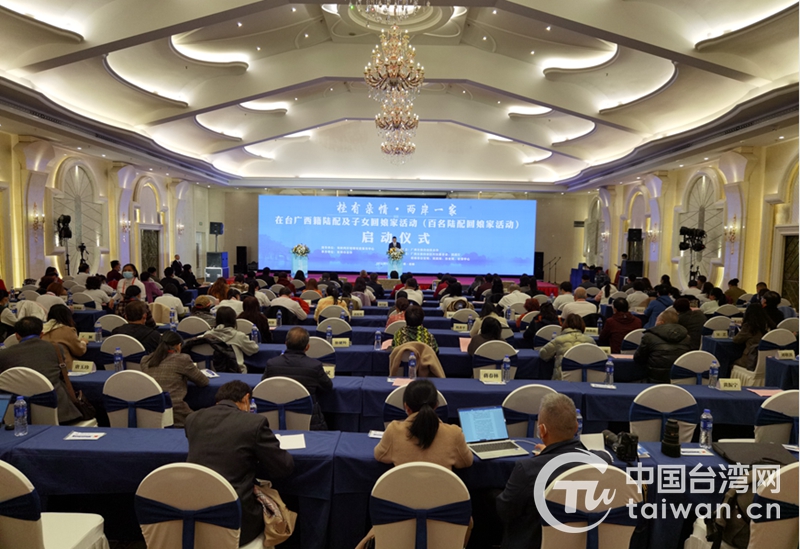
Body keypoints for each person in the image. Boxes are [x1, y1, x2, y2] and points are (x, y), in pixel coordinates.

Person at [184, 381, 294, 546]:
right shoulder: (254, 423)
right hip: (239, 516)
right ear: (246, 398)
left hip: (195, 511)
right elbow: (284, 467)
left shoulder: (192, 419)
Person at [497, 393, 610, 549]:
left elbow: (505, 511)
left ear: (542, 431)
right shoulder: (602, 462)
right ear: (576, 428)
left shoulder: (527, 470)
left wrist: (549, 453)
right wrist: (552, 451)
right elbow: (602, 455)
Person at [0, 316, 83, 424]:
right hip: (61, 412)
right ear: (42, 334)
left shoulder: (4, 355)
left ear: (17, 336)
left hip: (16, 414)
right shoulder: (56, 349)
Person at [375, 379, 472, 468]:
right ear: (436, 405)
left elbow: (379, 455)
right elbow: (466, 462)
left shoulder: (394, 431)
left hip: (403, 482)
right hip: (440, 483)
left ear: (406, 407)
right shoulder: (454, 434)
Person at [261, 327, 332, 430]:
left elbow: (264, 386)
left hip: (276, 419)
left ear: (286, 343)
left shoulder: (272, 364)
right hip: (310, 420)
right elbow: (328, 387)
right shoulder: (314, 366)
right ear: (307, 347)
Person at [140, 331, 209, 427]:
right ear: (178, 346)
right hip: (176, 412)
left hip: (150, 411)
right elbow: (203, 381)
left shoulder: (145, 360)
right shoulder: (182, 359)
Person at [634, 309, 693, 383]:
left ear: (661, 322)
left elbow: (638, 358)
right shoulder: (686, 337)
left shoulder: (649, 336)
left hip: (654, 380)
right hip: (679, 381)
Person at [538, 314, 595, 380]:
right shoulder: (590, 340)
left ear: (565, 324)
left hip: (561, 379)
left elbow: (543, 354)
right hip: (585, 379)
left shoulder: (558, 340)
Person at [203, 306, 259, 373]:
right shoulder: (239, 336)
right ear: (233, 320)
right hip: (236, 373)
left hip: (210, 373)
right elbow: (253, 349)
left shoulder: (207, 335)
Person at [40, 304, 88, 370]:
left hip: (44, 367)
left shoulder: (41, 329)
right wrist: (83, 342)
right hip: (65, 368)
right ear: (68, 317)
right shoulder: (67, 330)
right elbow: (79, 351)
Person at [733, 303, 775, 371]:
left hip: (750, 360)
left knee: (729, 361)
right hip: (766, 362)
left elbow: (736, 340)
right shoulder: (768, 326)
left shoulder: (749, 327)